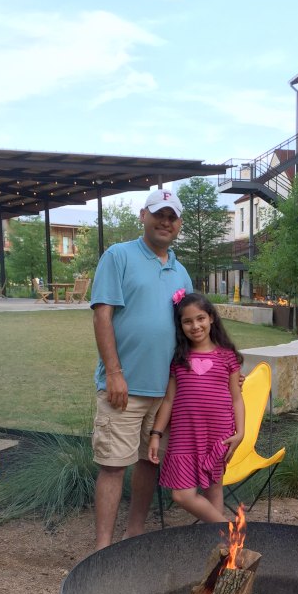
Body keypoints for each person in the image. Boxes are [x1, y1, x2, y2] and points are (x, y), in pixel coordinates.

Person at [90, 188, 191, 549]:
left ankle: (134, 534)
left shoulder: (181, 272)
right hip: (124, 388)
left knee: (149, 463)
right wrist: (115, 373)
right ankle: (102, 550)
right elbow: (103, 315)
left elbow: (193, 330)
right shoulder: (119, 256)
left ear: (179, 223)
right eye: (159, 213)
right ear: (143, 216)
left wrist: (224, 371)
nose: (166, 221)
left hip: (165, 394)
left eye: (172, 216)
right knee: (114, 466)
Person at [148, 292, 245, 523]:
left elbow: (236, 399)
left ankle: (223, 551)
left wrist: (240, 433)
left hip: (217, 435)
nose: (195, 326)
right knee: (182, 495)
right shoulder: (179, 359)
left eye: (200, 318)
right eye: (187, 321)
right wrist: (156, 434)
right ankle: (230, 530)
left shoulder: (227, 357)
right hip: (185, 436)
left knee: (213, 490)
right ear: (180, 326)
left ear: (211, 318)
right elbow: (169, 401)